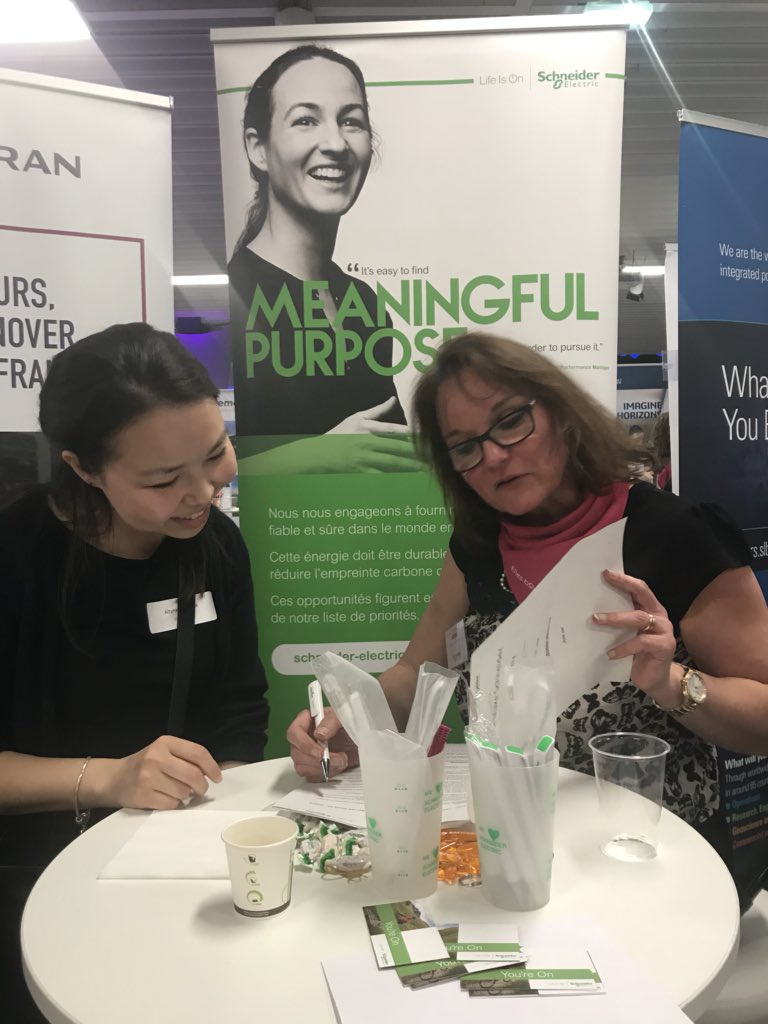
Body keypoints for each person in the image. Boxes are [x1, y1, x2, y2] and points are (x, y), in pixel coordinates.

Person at [287, 331, 768, 888]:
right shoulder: (476, 547)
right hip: (512, 850)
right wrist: (352, 722)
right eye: (465, 446)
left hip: (648, 859)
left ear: (560, 413)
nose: (493, 455)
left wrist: (673, 682)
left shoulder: (675, 535)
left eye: (511, 422)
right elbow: (416, 674)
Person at [0, 323, 269, 1022]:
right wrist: (112, 778)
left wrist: (223, 812)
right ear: (84, 468)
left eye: (215, 453)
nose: (203, 493)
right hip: (36, 892)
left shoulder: (216, 547)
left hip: (178, 887)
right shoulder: (18, 556)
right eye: (162, 480)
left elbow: (239, 708)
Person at [227, 43, 418, 474]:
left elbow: (388, 453)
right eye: (305, 120)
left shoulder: (363, 301)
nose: (335, 143)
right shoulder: (233, 296)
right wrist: (316, 456)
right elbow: (194, 468)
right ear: (258, 149)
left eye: (351, 121)